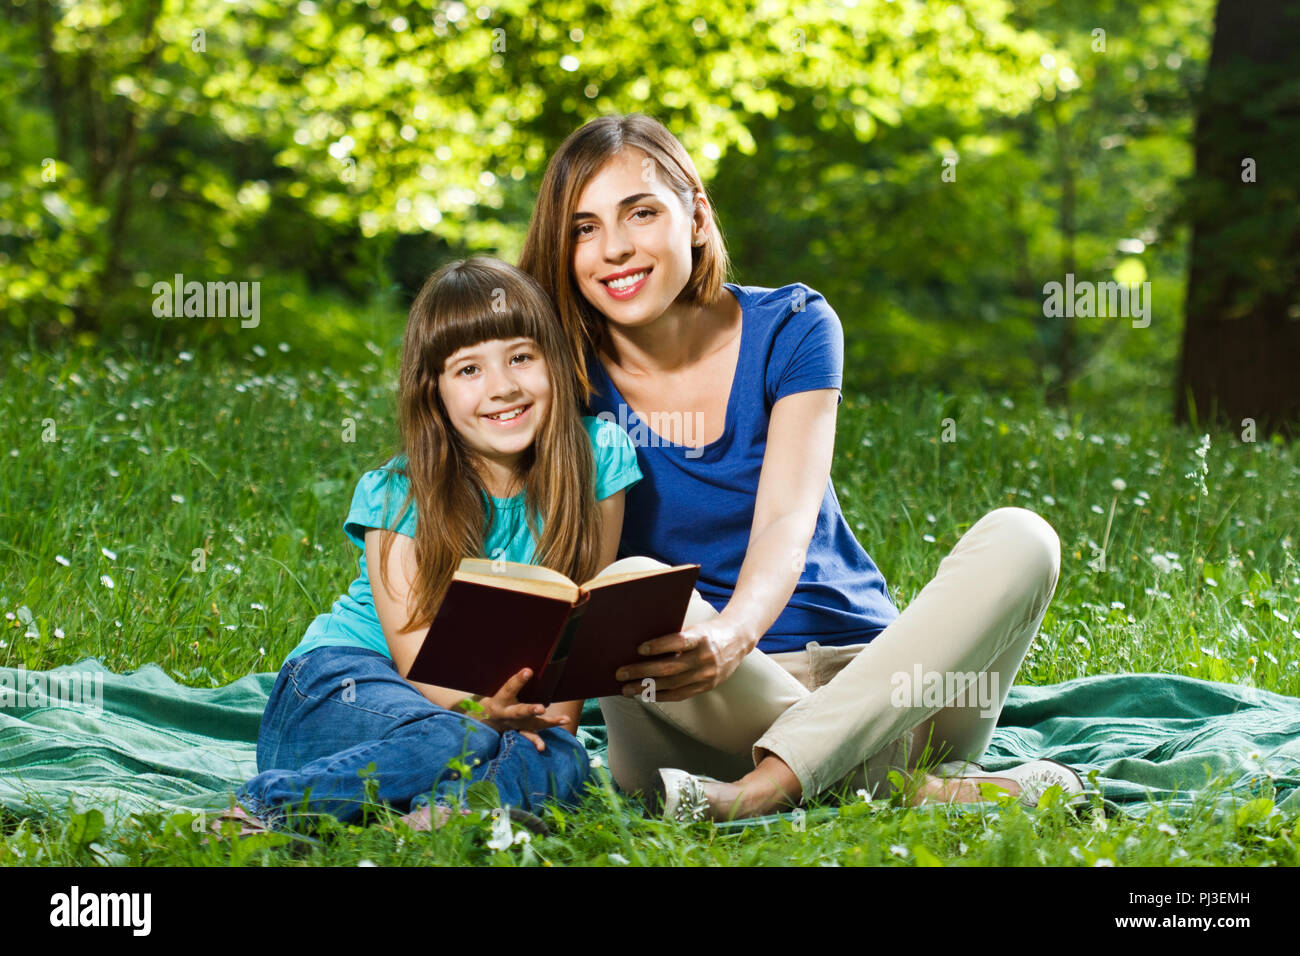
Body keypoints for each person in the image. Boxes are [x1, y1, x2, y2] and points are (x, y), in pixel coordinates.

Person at [518, 113, 1084, 822]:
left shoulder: (793, 324)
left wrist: (734, 635)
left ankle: (766, 791)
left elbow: (788, 520)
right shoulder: (557, 376)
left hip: (879, 687)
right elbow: (558, 559)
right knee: (630, 583)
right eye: (584, 228)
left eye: (640, 213)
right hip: (701, 707)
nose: (615, 250)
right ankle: (904, 789)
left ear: (695, 215)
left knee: (1023, 538)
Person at [230, 256, 643, 834]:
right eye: (468, 369)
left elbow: (575, 648)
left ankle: (437, 823)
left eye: (522, 357)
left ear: (555, 361)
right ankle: (269, 806)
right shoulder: (398, 493)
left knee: (565, 758)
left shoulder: (599, 456)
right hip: (345, 686)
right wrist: (486, 716)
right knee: (459, 730)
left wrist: (546, 729)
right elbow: (415, 661)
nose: (503, 387)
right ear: (435, 393)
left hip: (492, 716)